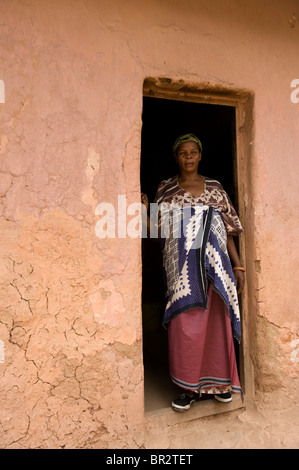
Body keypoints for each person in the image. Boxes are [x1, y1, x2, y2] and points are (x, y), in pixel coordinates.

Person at [141, 133, 245, 412]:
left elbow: (229, 231)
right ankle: (187, 389)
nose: (188, 157)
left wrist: (238, 266)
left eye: (193, 152)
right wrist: (144, 211)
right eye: (183, 153)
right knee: (185, 327)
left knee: (215, 325)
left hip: (215, 271)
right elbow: (157, 231)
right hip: (182, 275)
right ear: (177, 157)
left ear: (200, 156)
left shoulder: (215, 187)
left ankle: (220, 385)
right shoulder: (166, 189)